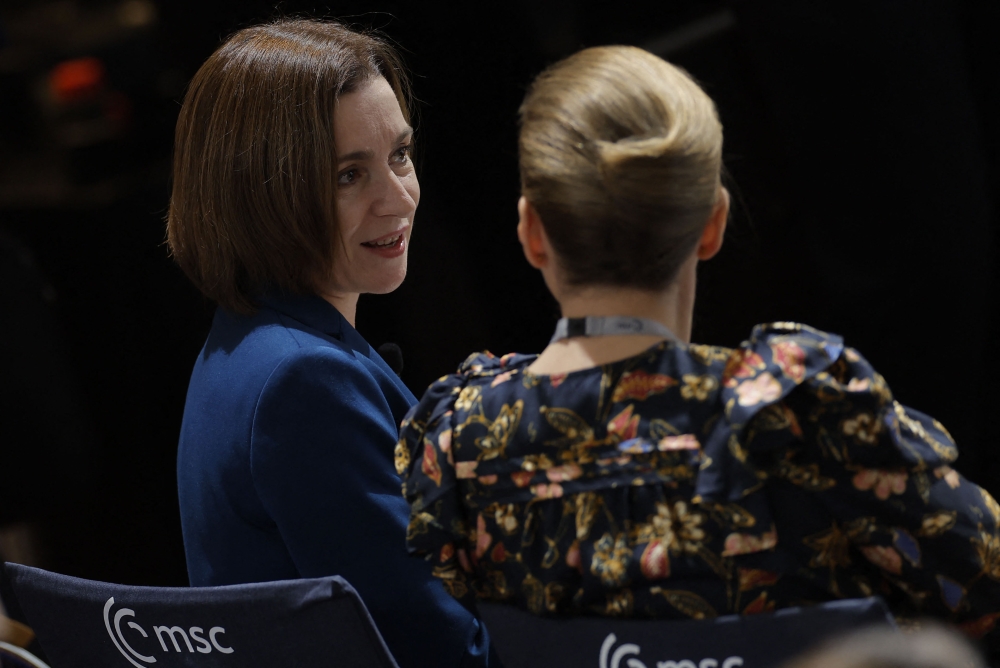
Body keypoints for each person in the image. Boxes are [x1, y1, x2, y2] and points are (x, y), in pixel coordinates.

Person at [398, 45, 1000, 649]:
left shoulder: (458, 445)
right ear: (714, 224)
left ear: (532, 234)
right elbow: (982, 583)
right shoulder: (801, 407)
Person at [167, 19, 496, 667]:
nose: (397, 197)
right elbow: (446, 655)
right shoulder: (303, 382)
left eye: (399, 155)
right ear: (258, 193)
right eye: (349, 175)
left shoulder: (245, 346)